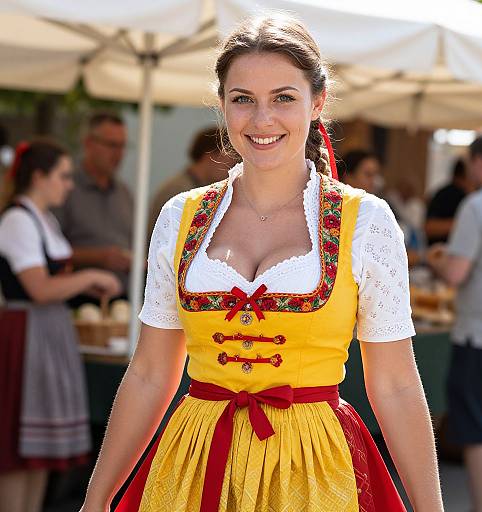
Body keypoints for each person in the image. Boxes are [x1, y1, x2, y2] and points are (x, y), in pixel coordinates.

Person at [80, 15, 443, 512]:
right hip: (194, 465)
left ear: (317, 103)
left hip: (314, 471)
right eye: (242, 98)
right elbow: (148, 373)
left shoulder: (365, 222)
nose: (262, 119)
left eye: (284, 98)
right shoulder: (180, 217)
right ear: (223, 104)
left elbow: (396, 383)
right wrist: (96, 499)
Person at [0, 140, 121, 512]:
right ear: (38, 177)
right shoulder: (18, 220)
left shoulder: (43, 218)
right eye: (63, 176)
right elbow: (38, 288)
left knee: (38, 456)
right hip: (25, 334)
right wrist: (89, 277)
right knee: (20, 449)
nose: (69, 184)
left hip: (46, 332)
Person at [427, 129, 482, 512]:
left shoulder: (478, 206)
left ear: (479, 162)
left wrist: (437, 259)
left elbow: (456, 275)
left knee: (480, 433)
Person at [55, 112, 133, 300]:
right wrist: (99, 257)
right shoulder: (64, 188)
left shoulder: (125, 192)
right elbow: (48, 250)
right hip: (77, 298)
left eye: (123, 146)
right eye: (112, 145)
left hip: (121, 298)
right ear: (89, 143)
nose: (119, 153)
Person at [148, 126, 233, 233]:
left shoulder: (185, 186)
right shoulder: (178, 190)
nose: (232, 170)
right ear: (210, 156)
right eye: (230, 163)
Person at [425, 158, 471, 245]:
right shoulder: (447, 195)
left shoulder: (468, 195)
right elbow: (429, 227)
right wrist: (465, 224)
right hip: (441, 251)